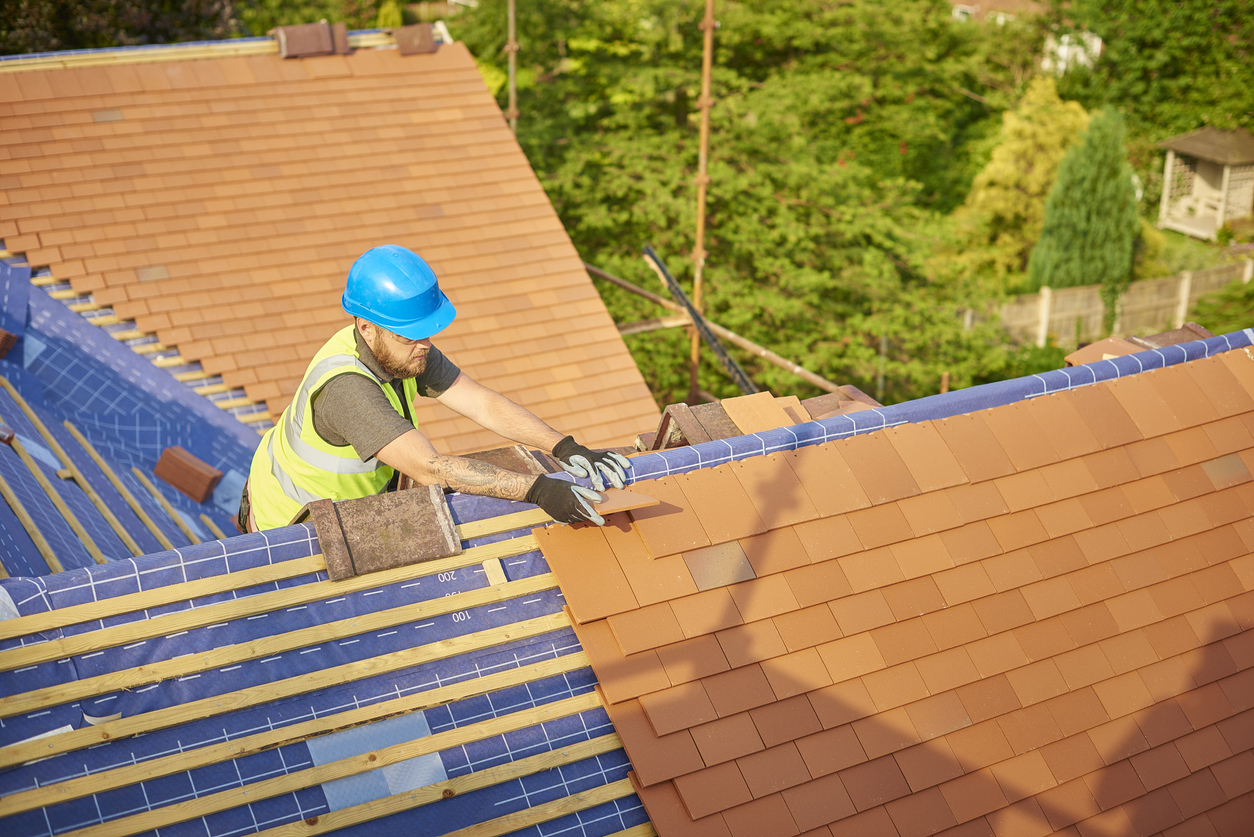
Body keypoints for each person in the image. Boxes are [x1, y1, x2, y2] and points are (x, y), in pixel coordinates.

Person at [241, 244, 631, 531]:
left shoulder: (403, 348)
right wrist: (539, 490)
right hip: (292, 521)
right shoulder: (346, 390)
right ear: (366, 329)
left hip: (342, 498)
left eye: (427, 332)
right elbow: (429, 468)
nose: (425, 344)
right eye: (411, 335)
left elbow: (480, 403)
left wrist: (564, 447)